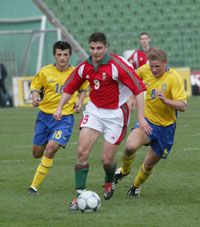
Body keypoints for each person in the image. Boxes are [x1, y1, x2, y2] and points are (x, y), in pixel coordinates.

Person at [54, 32, 152, 210]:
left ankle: (109, 180)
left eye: (99, 48)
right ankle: (80, 196)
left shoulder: (117, 65)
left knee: (106, 160)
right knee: (81, 152)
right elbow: (69, 87)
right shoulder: (85, 67)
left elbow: (139, 89)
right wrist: (60, 107)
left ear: (106, 47)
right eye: (92, 48)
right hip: (94, 111)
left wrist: (141, 119)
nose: (96, 52)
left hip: (116, 114)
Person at [114, 48, 187, 196]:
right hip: (147, 121)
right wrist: (132, 98)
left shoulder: (174, 78)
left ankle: (135, 187)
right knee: (129, 147)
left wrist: (166, 100)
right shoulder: (144, 69)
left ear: (165, 63)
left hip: (166, 129)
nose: (153, 70)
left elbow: (183, 106)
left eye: (157, 67)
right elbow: (133, 81)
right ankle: (124, 170)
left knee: (148, 164)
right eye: (151, 66)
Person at [28, 41, 88, 195]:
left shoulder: (76, 73)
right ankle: (43, 160)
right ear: (54, 55)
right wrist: (35, 97)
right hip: (44, 117)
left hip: (64, 119)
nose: (62, 58)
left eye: (65, 54)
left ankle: (33, 187)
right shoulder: (45, 72)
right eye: (59, 54)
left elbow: (83, 89)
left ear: (70, 55)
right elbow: (35, 88)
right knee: (36, 153)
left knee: (50, 149)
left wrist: (80, 102)